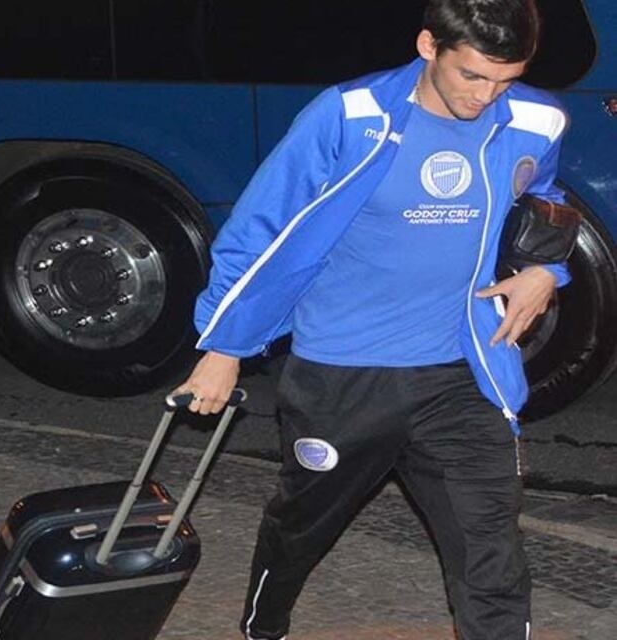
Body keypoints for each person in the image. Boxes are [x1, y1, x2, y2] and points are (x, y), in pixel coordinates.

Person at [173, 1, 569, 638]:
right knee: (302, 526)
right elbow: (261, 230)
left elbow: (545, 198)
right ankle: (263, 624)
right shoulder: (350, 116)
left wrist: (545, 269)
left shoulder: (535, 119)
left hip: (463, 369)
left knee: (489, 550)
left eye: (506, 79)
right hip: (342, 371)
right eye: (472, 75)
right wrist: (225, 347)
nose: (487, 96)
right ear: (428, 46)